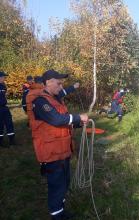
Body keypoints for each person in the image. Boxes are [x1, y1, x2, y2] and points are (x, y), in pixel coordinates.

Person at [26, 69, 88, 220]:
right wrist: (78, 116)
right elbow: (56, 119)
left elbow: (63, 121)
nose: (61, 87)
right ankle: (57, 215)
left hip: (62, 151)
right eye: (59, 83)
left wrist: (78, 123)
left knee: (64, 184)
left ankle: (61, 210)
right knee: (57, 187)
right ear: (48, 82)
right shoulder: (40, 101)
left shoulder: (54, 97)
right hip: (51, 153)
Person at [0, 71, 16, 147]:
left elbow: (4, 96)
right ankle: (0, 142)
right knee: (0, 125)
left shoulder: (3, 86)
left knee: (9, 123)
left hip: (4, 107)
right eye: (3, 77)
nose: (4, 78)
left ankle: (12, 140)